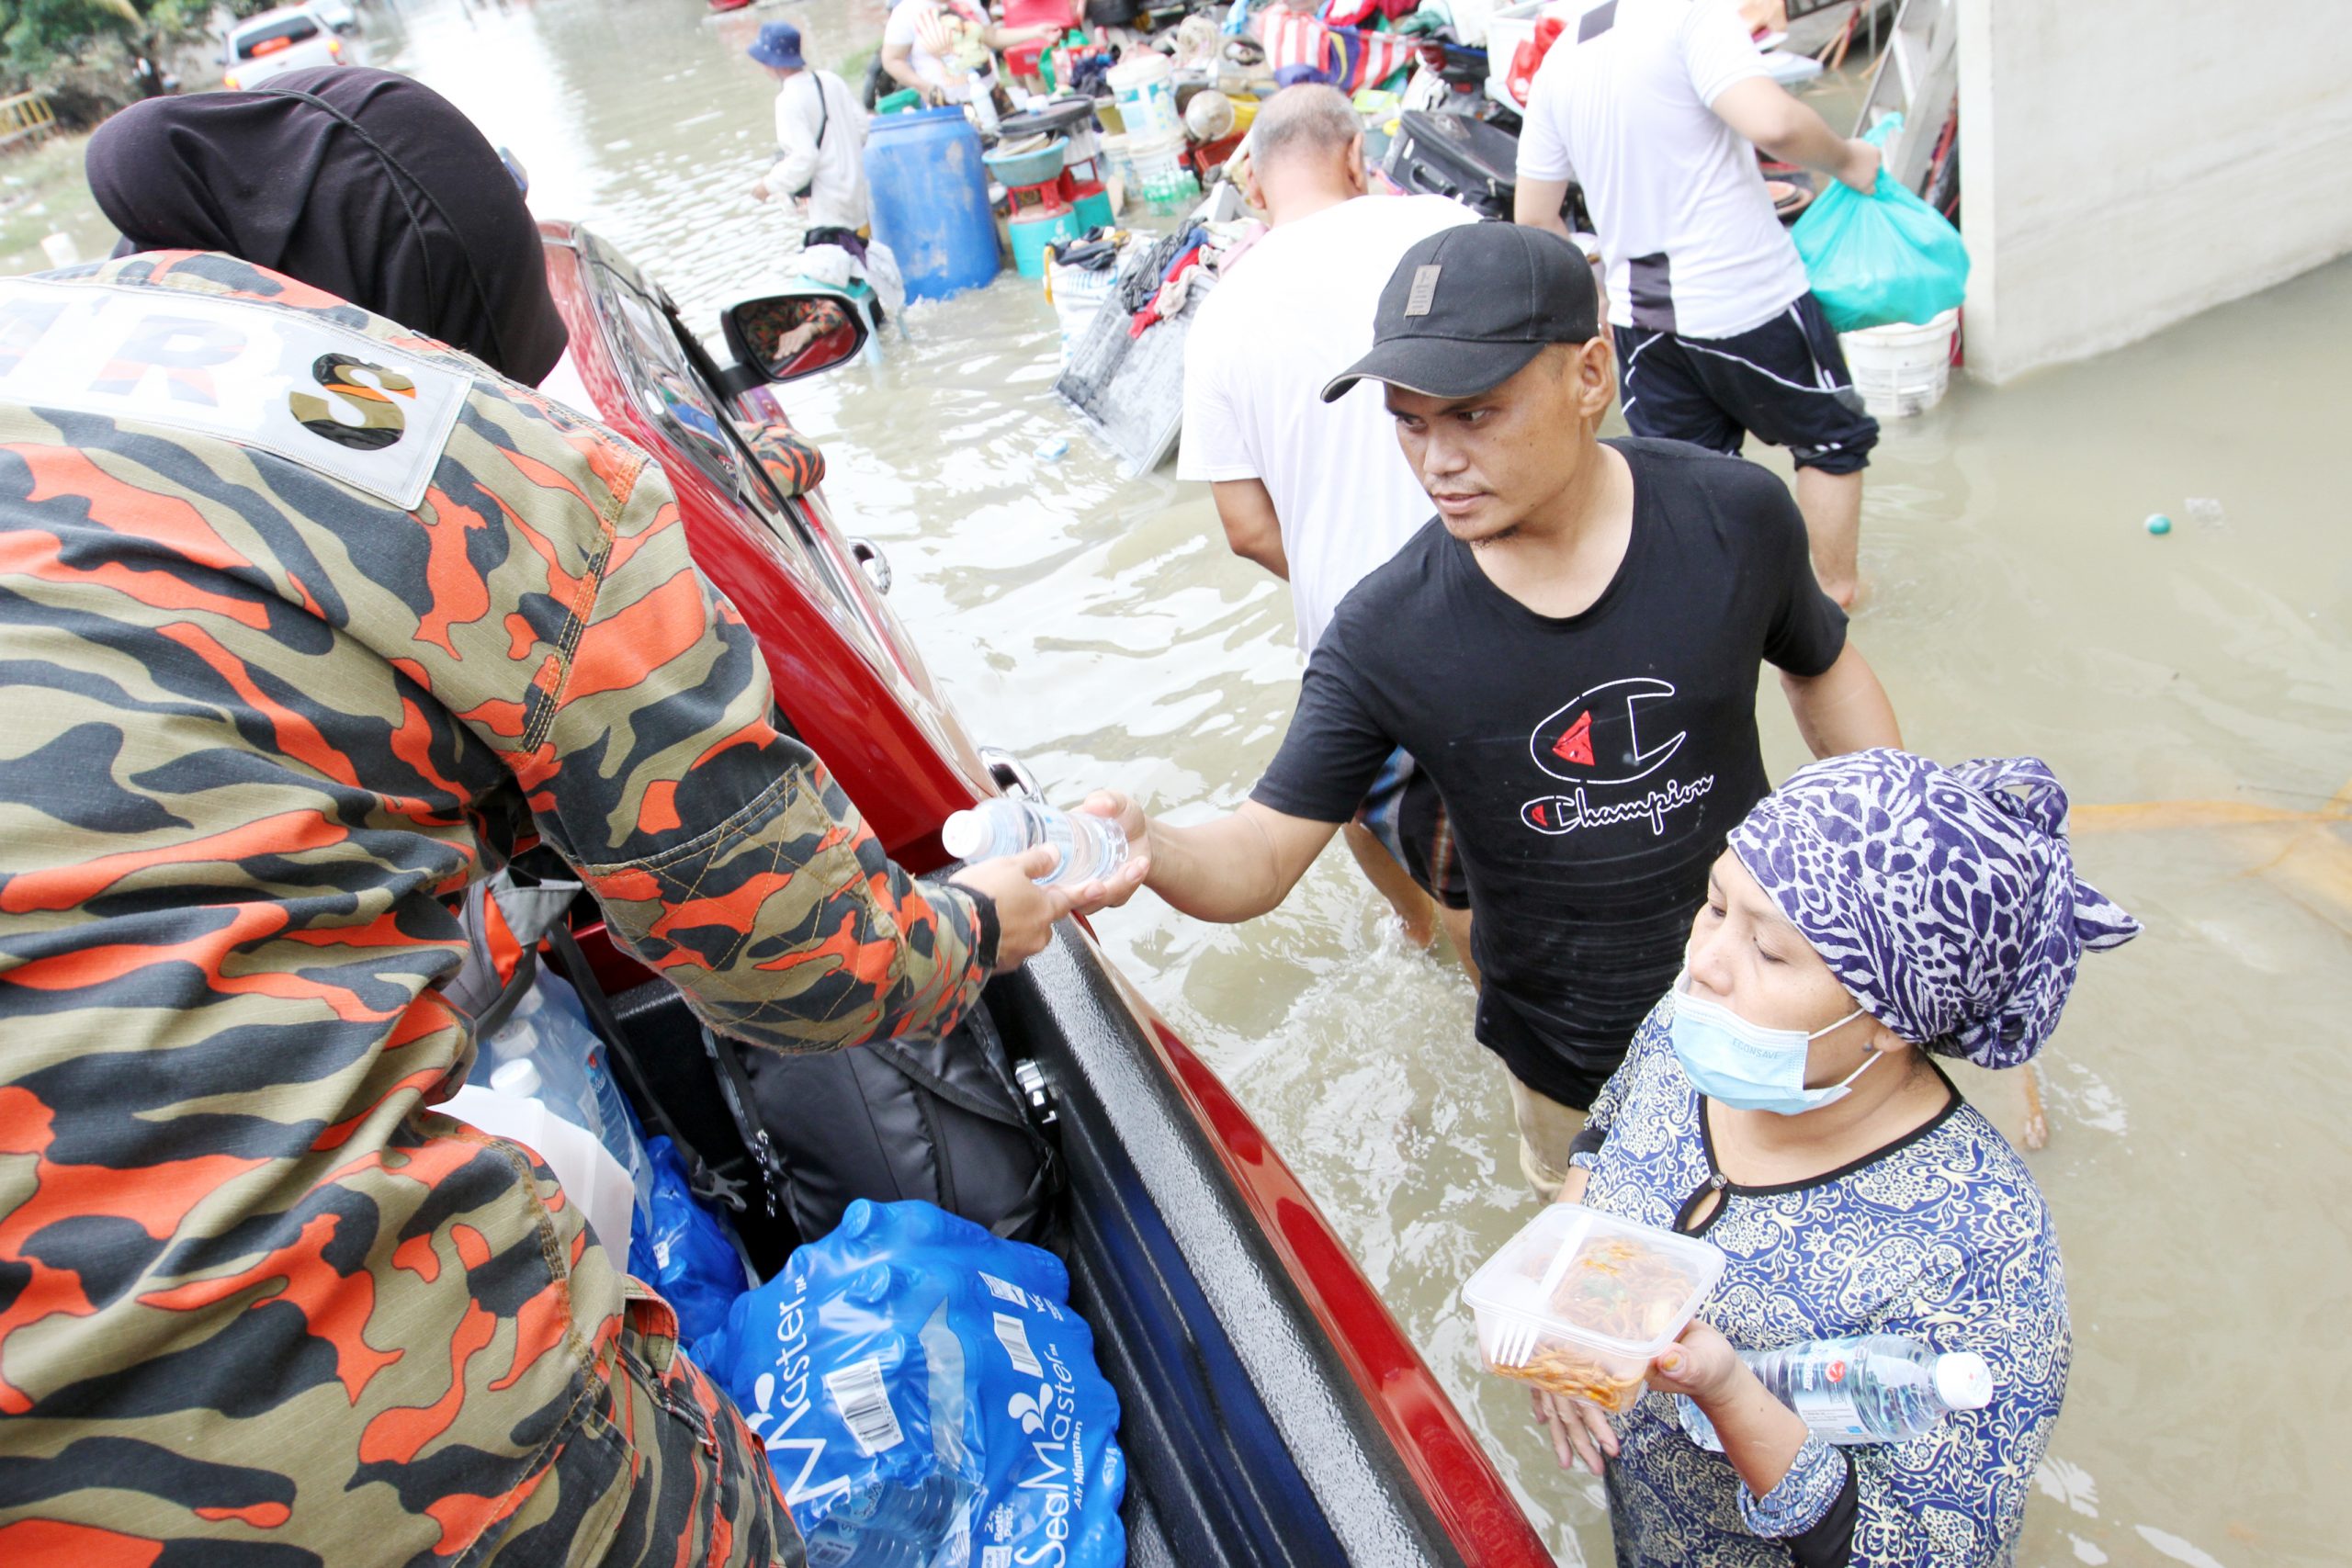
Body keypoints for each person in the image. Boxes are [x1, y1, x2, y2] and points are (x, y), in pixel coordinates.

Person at [0, 70, 1132, 1564]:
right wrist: (988, 919)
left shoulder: (47, 345)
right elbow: (802, 965)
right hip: (288, 1398)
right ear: (446, 323)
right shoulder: (481, 466)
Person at [1087, 222, 1901, 1199]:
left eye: (1475, 414)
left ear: (1590, 376)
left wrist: (1890, 856)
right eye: (1410, 422)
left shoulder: (1734, 516)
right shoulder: (1387, 629)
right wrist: (1147, 848)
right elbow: (1261, 856)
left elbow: (1823, 667)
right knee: (1601, 1299)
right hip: (1571, 1057)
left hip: (1770, 1015)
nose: (1437, 461)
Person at [1535, 749, 2140, 1566]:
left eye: (1771, 952)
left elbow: (1927, 1550)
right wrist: (1559, 1290)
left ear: (1890, 1019)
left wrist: (1729, 1392)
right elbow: (1609, 1127)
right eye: (1716, 905)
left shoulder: (1984, 1247)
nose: (1706, 962)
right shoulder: (1701, 1028)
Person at [1179, 84, 1478, 961]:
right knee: (1489, 850)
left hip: (1356, 638)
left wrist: (1334, 568)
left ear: (1258, 190)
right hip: (1492, 597)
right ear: (1356, 156)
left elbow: (1243, 524)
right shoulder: (1441, 227)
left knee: (1355, 798)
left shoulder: (1222, 311)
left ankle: (1414, 935)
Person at [1512, 0, 1884, 607]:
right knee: (1831, 441)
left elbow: (1533, 217)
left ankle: (1730, 616)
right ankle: (1835, 598)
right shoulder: (1690, 15)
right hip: (1744, 294)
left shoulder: (1560, 60)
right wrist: (1849, 161)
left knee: (1692, 480)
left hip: (1641, 326)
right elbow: (1775, 123)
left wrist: (1600, 301)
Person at [747, 22, 870, 249]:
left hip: (830, 211)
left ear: (773, 63)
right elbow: (862, 127)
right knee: (866, 259)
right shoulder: (830, 80)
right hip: (858, 197)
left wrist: (768, 184)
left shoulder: (787, 100)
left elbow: (804, 158)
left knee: (842, 271)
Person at [880, 0, 1056, 106]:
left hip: (993, 95)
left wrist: (1037, 32)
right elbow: (892, 60)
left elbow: (992, 36)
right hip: (949, 105)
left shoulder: (968, 2)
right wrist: (924, 86)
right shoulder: (905, 13)